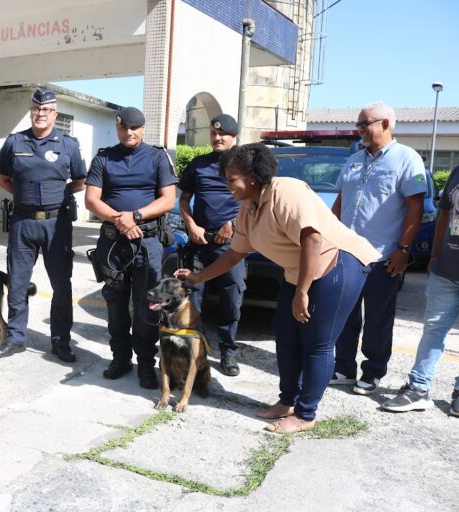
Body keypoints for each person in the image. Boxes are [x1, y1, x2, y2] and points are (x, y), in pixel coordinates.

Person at [175, 143, 379, 433]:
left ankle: (306, 414)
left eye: (231, 179)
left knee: (317, 343)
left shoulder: (287, 192)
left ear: (252, 177)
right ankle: (287, 401)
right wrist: (198, 277)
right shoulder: (248, 207)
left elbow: (312, 240)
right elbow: (235, 253)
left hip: (337, 264)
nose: (226, 185)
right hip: (299, 271)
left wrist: (302, 292)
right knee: (285, 335)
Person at [331, 102, 427, 395]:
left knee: (378, 319)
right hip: (347, 254)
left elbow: (415, 208)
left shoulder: (406, 159)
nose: (359, 130)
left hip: (382, 256)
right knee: (345, 314)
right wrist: (330, 237)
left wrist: (403, 249)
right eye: (358, 124)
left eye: (364, 124)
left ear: (385, 124)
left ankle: (372, 372)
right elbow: (340, 202)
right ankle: (344, 367)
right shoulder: (353, 160)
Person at [85, 106, 177, 389]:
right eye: (124, 127)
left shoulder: (157, 157)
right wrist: (119, 220)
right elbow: (91, 200)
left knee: (147, 304)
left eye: (134, 127)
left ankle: (146, 364)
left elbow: (168, 199)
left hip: (147, 242)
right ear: (117, 128)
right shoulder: (103, 157)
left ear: (143, 128)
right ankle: (120, 358)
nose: (129, 132)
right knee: (115, 303)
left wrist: (135, 216)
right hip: (113, 242)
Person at [0, 87, 87, 360]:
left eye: (46, 110)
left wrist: (56, 195)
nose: (40, 114)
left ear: (55, 114)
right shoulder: (14, 142)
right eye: (36, 109)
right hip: (22, 222)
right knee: (17, 283)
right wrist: (26, 197)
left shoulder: (68, 145)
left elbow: (80, 181)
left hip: (56, 224)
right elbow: (2, 179)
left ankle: (61, 342)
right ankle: (15, 338)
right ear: (31, 111)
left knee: (61, 285)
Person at [382, 164, 459, 416]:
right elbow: (444, 216)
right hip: (446, 271)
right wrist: (434, 257)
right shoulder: (457, 172)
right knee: (433, 330)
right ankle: (418, 388)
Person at [178, 113, 245, 377]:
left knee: (232, 298)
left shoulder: (245, 164)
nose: (217, 138)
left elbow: (255, 202)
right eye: (214, 134)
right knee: (194, 297)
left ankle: (228, 352)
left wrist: (233, 224)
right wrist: (191, 226)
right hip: (200, 240)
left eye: (223, 134)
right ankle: (198, 347)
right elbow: (184, 200)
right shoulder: (198, 165)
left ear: (234, 137)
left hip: (232, 243)